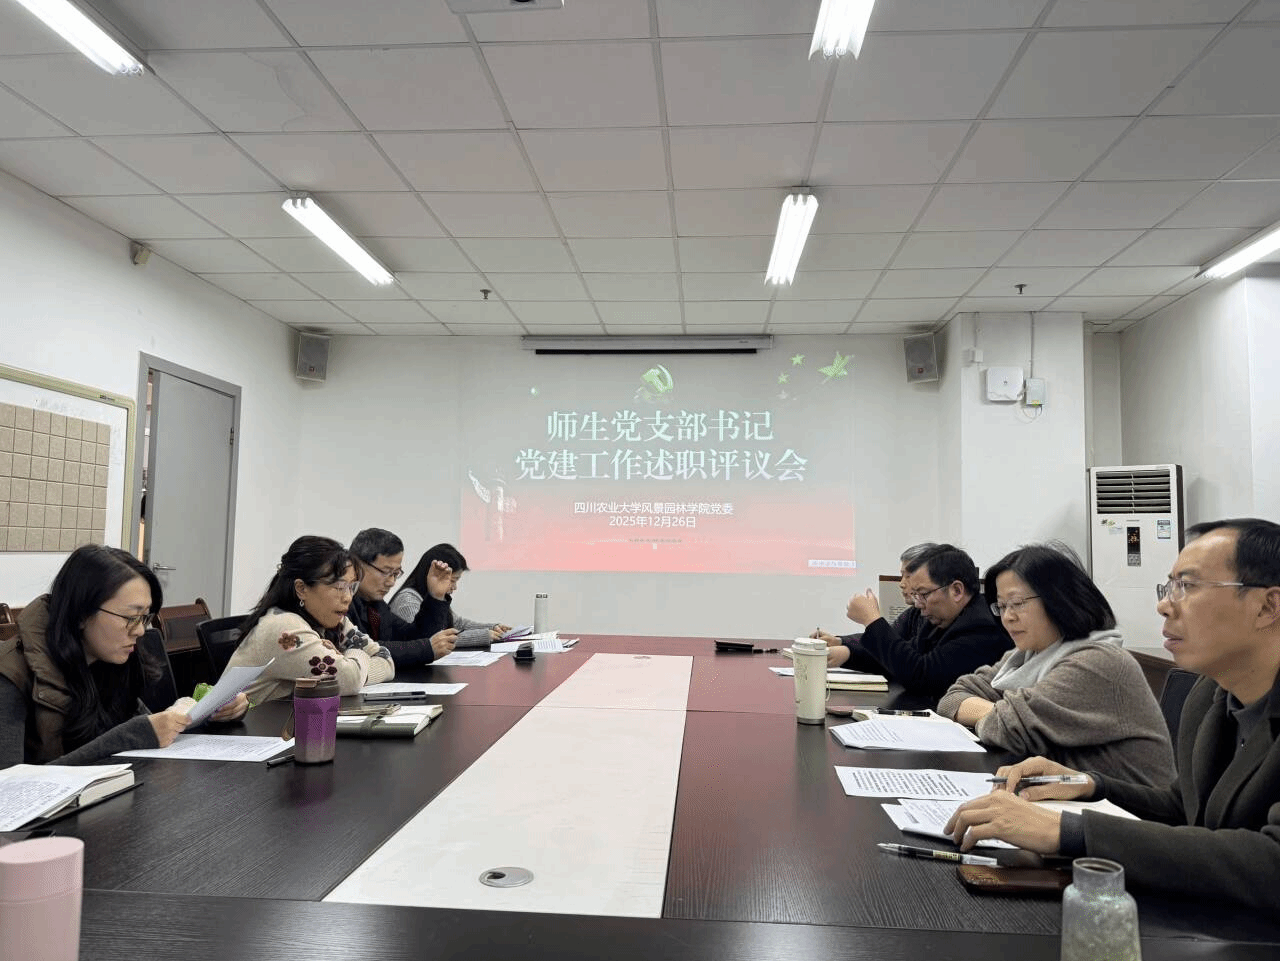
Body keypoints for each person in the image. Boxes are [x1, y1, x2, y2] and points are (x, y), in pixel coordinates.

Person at [945, 518, 1280, 909]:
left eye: (1187, 586)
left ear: (1267, 606)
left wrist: (1070, 831)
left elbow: (1271, 861)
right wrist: (1090, 785)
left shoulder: (1103, 661)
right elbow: (1184, 810)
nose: (1164, 605)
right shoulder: (1210, 695)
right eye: (1169, 587)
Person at [937, 544, 1174, 785]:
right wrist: (1001, 711)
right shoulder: (1025, 656)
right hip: (1065, 795)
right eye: (1002, 606)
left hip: (1122, 805)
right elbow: (952, 699)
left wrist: (1001, 714)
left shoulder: (1097, 662)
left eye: (1017, 603)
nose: (1008, 616)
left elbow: (1007, 729)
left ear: (1058, 600)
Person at [0, 544, 246, 768]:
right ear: (82, 613)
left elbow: (150, 728)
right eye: (131, 617)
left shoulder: (108, 659)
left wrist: (212, 713)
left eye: (145, 617)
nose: (140, 631)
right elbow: (10, 790)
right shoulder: (10, 675)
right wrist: (132, 735)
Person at [825, 544, 1012, 696]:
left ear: (956, 590)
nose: (918, 605)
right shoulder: (941, 620)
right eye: (915, 595)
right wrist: (847, 654)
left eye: (923, 594)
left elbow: (922, 677)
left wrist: (872, 620)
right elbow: (902, 658)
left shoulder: (982, 627)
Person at [227, 536, 394, 703]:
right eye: (339, 587)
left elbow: (385, 659)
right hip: (250, 719)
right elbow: (350, 680)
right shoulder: (284, 629)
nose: (348, 597)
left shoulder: (335, 619)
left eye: (351, 587)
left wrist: (350, 664)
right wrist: (355, 654)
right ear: (301, 589)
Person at [346, 527, 458, 666]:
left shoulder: (377, 606)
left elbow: (414, 636)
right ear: (357, 564)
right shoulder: (341, 603)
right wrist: (425, 649)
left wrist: (435, 596)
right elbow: (364, 648)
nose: (391, 582)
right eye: (386, 572)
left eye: (395, 573)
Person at [810, 542, 936, 649]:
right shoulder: (914, 613)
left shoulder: (937, 619)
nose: (901, 584)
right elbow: (886, 640)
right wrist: (839, 641)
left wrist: (871, 620)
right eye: (902, 576)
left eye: (908, 576)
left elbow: (900, 653)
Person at [390, 543, 511, 649]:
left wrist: (492, 628)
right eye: (452, 580)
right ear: (432, 576)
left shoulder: (434, 598)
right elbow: (428, 639)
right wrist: (482, 636)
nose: (454, 587)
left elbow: (457, 623)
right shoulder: (407, 600)